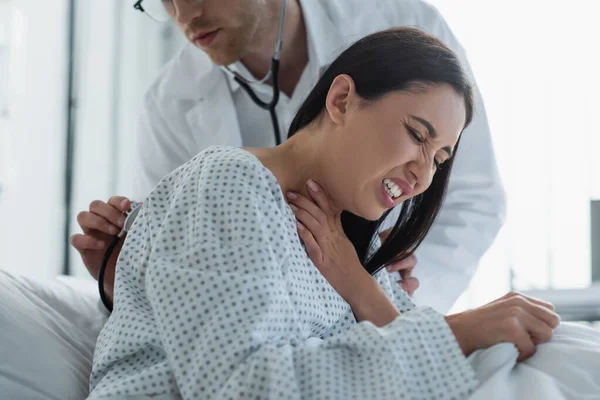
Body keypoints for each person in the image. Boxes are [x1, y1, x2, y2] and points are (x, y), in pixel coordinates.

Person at [87, 28, 565, 400]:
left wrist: (358, 283)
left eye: (439, 160)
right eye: (418, 136)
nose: (422, 175)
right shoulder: (227, 180)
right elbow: (240, 387)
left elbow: (414, 353)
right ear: (341, 100)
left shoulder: (359, 243)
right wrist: (457, 332)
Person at [71, 0, 505, 314]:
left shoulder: (404, 28)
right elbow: (178, 273)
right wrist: (120, 277)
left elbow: (474, 199)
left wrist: (384, 287)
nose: (184, 14)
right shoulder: (171, 107)